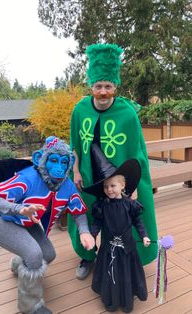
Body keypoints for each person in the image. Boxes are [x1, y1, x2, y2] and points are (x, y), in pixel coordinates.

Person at [68, 43, 158, 280]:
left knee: (120, 217)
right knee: (87, 214)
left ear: (115, 87)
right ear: (91, 87)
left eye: (108, 86)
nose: (103, 91)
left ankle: (124, 257)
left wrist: (134, 185)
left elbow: (136, 152)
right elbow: (74, 145)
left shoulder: (126, 113)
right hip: (88, 176)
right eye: (98, 86)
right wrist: (76, 171)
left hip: (117, 178)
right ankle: (87, 256)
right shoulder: (80, 110)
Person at [0, 136, 95, 314]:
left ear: (69, 164)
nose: (59, 167)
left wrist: (84, 231)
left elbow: (78, 210)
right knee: (34, 254)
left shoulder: (66, 185)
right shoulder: (27, 177)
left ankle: (18, 264)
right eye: (54, 160)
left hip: (26, 219)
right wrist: (20, 209)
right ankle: (31, 306)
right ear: (40, 159)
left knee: (48, 254)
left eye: (64, 162)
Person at [83, 143, 150, 313]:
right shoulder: (101, 206)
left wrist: (144, 236)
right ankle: (111, 298)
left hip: (127, 247)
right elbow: (97, 223)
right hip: (109, 247)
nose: (109, 190)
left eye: (113, 186)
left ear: (122, 185)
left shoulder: (130, 205)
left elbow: (138, 222)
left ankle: (127, 297)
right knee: (110, 272)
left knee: (126, 273)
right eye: (105, 186)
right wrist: (92, 235)